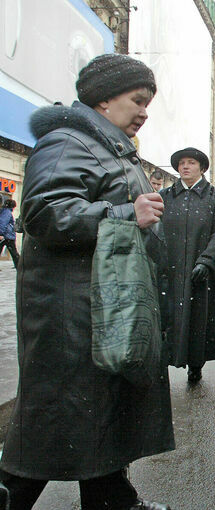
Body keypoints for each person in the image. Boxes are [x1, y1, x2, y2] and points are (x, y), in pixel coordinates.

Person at [0, 54, 173, 510]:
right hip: (70, 312)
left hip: (100, 305)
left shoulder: (109, 148)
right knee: (55, 421)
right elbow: (41, 213)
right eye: (137, 100)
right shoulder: (67, 142)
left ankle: (115, 500)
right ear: (102, 99)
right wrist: (124, 213)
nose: (144, 112)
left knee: (102, 412)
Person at [159, 147, 215, 383]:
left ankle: (196, 364)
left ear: (202, 168)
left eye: (191, 163)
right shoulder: (165, 196)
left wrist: (208, 260)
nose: (185, 167)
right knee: (167, 317)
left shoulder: (214, 197)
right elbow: (155, 230)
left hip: (200, 273)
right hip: (171, 270)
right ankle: (165, 360)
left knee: (199, 319)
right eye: (182, 163)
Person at [0, 199, 19, 268]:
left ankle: (19, 266)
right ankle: (19, 267)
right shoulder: (7, 212)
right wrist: (1, 234)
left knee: (14, 253)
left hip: (6, 235)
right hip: (7, 236)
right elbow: (3, 223)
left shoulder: (4, 211)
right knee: (14, 253)